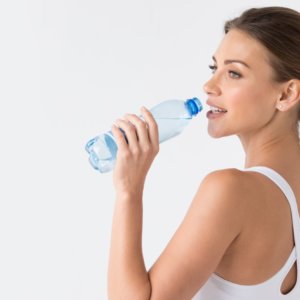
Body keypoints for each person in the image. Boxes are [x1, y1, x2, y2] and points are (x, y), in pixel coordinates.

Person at [107, 6, 300, 300]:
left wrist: (128, 191)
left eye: (234, 73)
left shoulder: (232, 191)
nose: (209, 86)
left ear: (286, 95)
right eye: (214, 69)